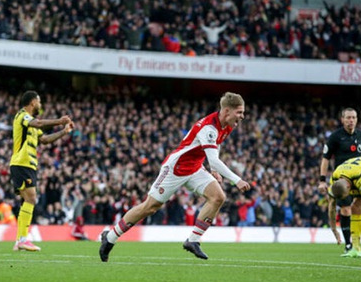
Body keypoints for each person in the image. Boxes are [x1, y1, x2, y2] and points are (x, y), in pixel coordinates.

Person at [99, 92, 251, 262]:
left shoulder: (227, 125)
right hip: (175, 168)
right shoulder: (209, 127)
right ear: (227, 111)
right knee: (150, 207)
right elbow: (214, 159)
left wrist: (213, 170)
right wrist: (236, 179)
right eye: (239, 112)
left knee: (218, 197)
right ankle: (110, 236)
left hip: (194, 168)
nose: (242, 117)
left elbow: (215, 148)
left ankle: (193, 241)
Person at [11, 90, 73, 252]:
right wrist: (59, 121)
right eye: (39, 101)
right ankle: (23, 239)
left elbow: (44, 140)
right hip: (21, 163)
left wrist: (63, 132)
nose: (40, 104)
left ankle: (20, 240)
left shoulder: (31, 123)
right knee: (31, 199)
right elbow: (38, 123)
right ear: (32, 102)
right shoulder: (21, 116)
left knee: (28, 200)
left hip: (29, 165)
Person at [318, 108, 361, 253]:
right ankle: (348, 244)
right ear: (342, 119)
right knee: (346, 209)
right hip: (343, 181)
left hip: (359, 179)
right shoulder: (335, 137)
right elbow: (326, 159)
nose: (351, 120)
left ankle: (357, 239)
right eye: (348, 118)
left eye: (353, 117)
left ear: (357, 119)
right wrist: (322, 180)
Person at [328, 156, 361, 258]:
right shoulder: (334, 178)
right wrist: (334, 228)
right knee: (355, 207)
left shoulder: (360, 178)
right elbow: (331, 207)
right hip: (360, 171)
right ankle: (355, 248)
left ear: (349, 187)